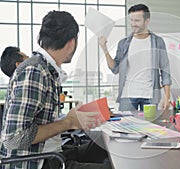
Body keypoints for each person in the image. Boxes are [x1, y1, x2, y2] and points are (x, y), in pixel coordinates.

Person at [0, 11, 110, 169]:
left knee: (103, 143)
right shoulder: (34, 71)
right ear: (72, 43)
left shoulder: (46, 70)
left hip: (53, 152)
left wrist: (75, 118)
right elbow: (14, 138)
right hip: (38, 161)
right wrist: (69, 122)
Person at [99, 4, 172, 111]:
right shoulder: (124, 43)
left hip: (150, 96)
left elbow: (165, 70)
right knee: (125, 126)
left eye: (137, 20)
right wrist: (104, 48)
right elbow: (115, 68)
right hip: (127, 95)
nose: (133, 24)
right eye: (131, 20)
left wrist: (167, 97)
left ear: (147, 21)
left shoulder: (158, 42)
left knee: (149, 127)